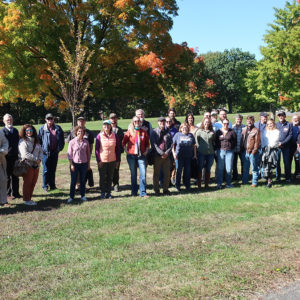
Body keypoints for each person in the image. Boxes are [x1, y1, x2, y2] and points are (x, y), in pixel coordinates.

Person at [122, 116, 150, 197]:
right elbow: (123, 142)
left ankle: (143, 192)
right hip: (132, 156)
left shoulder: (144, 132)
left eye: (138, 121)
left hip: (141, 156)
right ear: (133, 122)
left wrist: (147, 150)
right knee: (133, 174)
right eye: (135, 121)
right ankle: (134, 192)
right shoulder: (129, 132)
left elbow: (148, 143)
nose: (137, 122)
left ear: (140, 122)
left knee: (143, 174)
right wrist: (126, 151)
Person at [38, 113, 65, 192]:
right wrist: (42, 150)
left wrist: (59, 148)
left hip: (55, 152)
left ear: (53, 119)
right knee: (46, 170)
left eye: (51, 118)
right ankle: (45, 186)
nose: (50, 120)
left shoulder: (58, 128)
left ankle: (52, 185)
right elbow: (39, 141)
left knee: (53, 169)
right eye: (48, 119)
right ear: (45, 119)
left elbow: (62, 140)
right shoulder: (42, 128)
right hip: (45, 153)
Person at [18, 124, 43, 206]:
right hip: (27, 165)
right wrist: (36, 159)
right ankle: (26, 199)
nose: (29, 132)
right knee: (27, 182)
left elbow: (41, 151)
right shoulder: (22, 141)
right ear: (24, 132)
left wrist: (40, 159)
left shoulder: (36, 140)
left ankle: (30, 198)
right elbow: (24, 154)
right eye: (27, 130)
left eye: (31, 130)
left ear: (33, 131)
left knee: (33, 182)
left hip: (36, 166)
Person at [67, 116, 94, 189]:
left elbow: (91, 144)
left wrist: (89, 154)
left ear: (85, 122)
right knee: (75, 171)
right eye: (79, 121)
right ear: (77, 122)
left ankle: (83, 185)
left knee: (84, 171)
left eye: (82, 121)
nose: (81, 122)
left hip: (85, 155)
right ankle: (76, 185)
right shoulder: (72, 132)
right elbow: (69, 143)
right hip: (75, 156)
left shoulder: (89, 132)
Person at [95, 120, 120, 199]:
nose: (107, 126)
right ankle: (102, 192)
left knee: (110, 177)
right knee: (102, 177)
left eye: (108, 125)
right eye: (105, 125)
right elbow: (96, 150)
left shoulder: (115, 135)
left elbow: (117, 149)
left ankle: (108, 192)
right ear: (103, 126)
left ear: (111, 126)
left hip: (112, 160)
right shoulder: (99, 136)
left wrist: (117, 160)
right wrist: (98, 160)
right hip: (102, 160)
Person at [67, 126, 91, 203]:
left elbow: (88, 154)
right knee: (73, 181)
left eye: (82, 132)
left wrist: (88, 165)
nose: (80, 133)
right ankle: (71, 196)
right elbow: (69, 155)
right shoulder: (72, 142)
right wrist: (71, 164)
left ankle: (83, 196)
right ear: (76, 132)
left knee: (83, 180)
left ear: (84, 133)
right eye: (78, 131)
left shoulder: (86, 142)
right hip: (74, 164)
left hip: (84, 164)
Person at [150, 117, 173, 196]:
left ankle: (165, 189)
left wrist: (166, 153)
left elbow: (171, 144)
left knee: (167, 174)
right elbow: (154, 144)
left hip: (167, 156)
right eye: (160, 122)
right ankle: (156, 190)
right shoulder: (154, 132)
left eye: (163, 122)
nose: (162, 123)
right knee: (156, 174)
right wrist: (161, 153)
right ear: (158, 123)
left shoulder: (168, 132)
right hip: (157, 156)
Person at [172, 122, 196, 192]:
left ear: (188, 128)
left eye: (186, 127)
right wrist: (174, 153)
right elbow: (172, 144)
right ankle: (177, 185)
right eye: (183, 127)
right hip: (179, 156)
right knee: (178, 171)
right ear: (181, 128)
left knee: (187, 171)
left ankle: (187, 185)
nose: (185, 129)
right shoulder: (177, 135)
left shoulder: (191, 135)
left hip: (188, 156)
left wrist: (194, 155)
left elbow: (194, 145)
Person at [2, 114, 21, 199]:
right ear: (4, 121)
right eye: (7, 120)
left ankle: (16, 193)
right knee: (7, 176)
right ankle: (8, 194)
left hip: (15, 156)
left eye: (10, 119)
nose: (9, 121)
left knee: (16, 175)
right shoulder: (2, 132)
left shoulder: (16, 131)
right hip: (6, 157)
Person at [215, 119, 237, 189]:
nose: (226, 125)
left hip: (229, 151)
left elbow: (235, 141)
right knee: (220, 168)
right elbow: (216, 141)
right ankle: (219, 183)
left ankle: (228, 183)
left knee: (229, 168)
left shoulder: (232, 132)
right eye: (224, 123)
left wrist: (231, 147)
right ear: (222, 124)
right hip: (220, 151)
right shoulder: (218, 132)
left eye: (227, 123)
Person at [240, 116, 261, 187]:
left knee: (254, 168)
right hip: (245, 152)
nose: (249, 122)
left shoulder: (256, 130)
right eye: (248, 120)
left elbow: (257, 142)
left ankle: (254, 182)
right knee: (245, 168)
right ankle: (245, 181)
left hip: (252, 152)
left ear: (253, 121)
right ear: (246, 121)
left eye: (251, 120)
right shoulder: (244, 129)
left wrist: (253, 152)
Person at [195, 118, 215, 189]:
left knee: (208, 168)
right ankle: (199, 185)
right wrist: (197, 151)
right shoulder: (199, 131)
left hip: (210, 153)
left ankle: (206, 184)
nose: (207, 123)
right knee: (200, 168)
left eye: (208, 122)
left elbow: (214, 141)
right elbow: (196, 143)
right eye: (205, 122)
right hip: (201, 153)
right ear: (203, 123)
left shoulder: (212, 132)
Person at [261, 119, 280, 188]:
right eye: (268, 124)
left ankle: (269, 181)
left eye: (271, 123)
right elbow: (263, 140)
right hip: (265, 150)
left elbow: (275, 141)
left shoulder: (276, 131)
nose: (270, 125)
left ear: (273, 124)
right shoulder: (265, 132)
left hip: (272, 150)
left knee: (270, 165)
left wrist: (269, 146)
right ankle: (268, 179)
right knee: (265, 165)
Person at [275, 111, 292, 182]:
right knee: (277, 162)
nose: (281, 117)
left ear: (285, 116)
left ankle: (287, 177)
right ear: (278, 117)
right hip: (277, 147)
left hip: (286, 146)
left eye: (282, 115)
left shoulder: (289, 124)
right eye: (279, 116)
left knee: (287, 162)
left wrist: (282, 143)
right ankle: (278, 177)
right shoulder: (276, 124)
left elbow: (290, 135)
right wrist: (277, 143)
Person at [109, 113, 124, 192]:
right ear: (109, 119)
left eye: (115, 118)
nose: (113, 120)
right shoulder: (106, 129)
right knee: (107, 169)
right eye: (112, 118)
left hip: (117, 153)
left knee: (116, 169)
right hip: (108, 153)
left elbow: (122, 142)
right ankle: (107, 185)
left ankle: (115, 184)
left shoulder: (119, 130)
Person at [185, 113, 199, 183]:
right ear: (187, 119)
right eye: (189, 118)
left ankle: (196, 178)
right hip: (185, 149)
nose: (190, 119)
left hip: (194, 148)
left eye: (191, 118)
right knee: (186, 164)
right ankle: (187, 179)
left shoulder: (196, 128)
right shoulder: (184, 127)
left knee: (194, 164)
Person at [232, 114, 245, 181]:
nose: (239, 121)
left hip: (242, 148)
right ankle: (235, 176)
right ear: (235, 120)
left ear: (242, 120)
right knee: (234, 164)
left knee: (243, 163)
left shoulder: (244, 127)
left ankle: (243, 176)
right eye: (237, 119)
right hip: (234, 149)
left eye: (240, 119)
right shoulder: (232, 127)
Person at [0, 129, 9, 206]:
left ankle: (3, 200)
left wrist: (1, 152)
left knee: (3, 180)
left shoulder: (0, 132)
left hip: (0, 159)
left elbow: (5, 143)